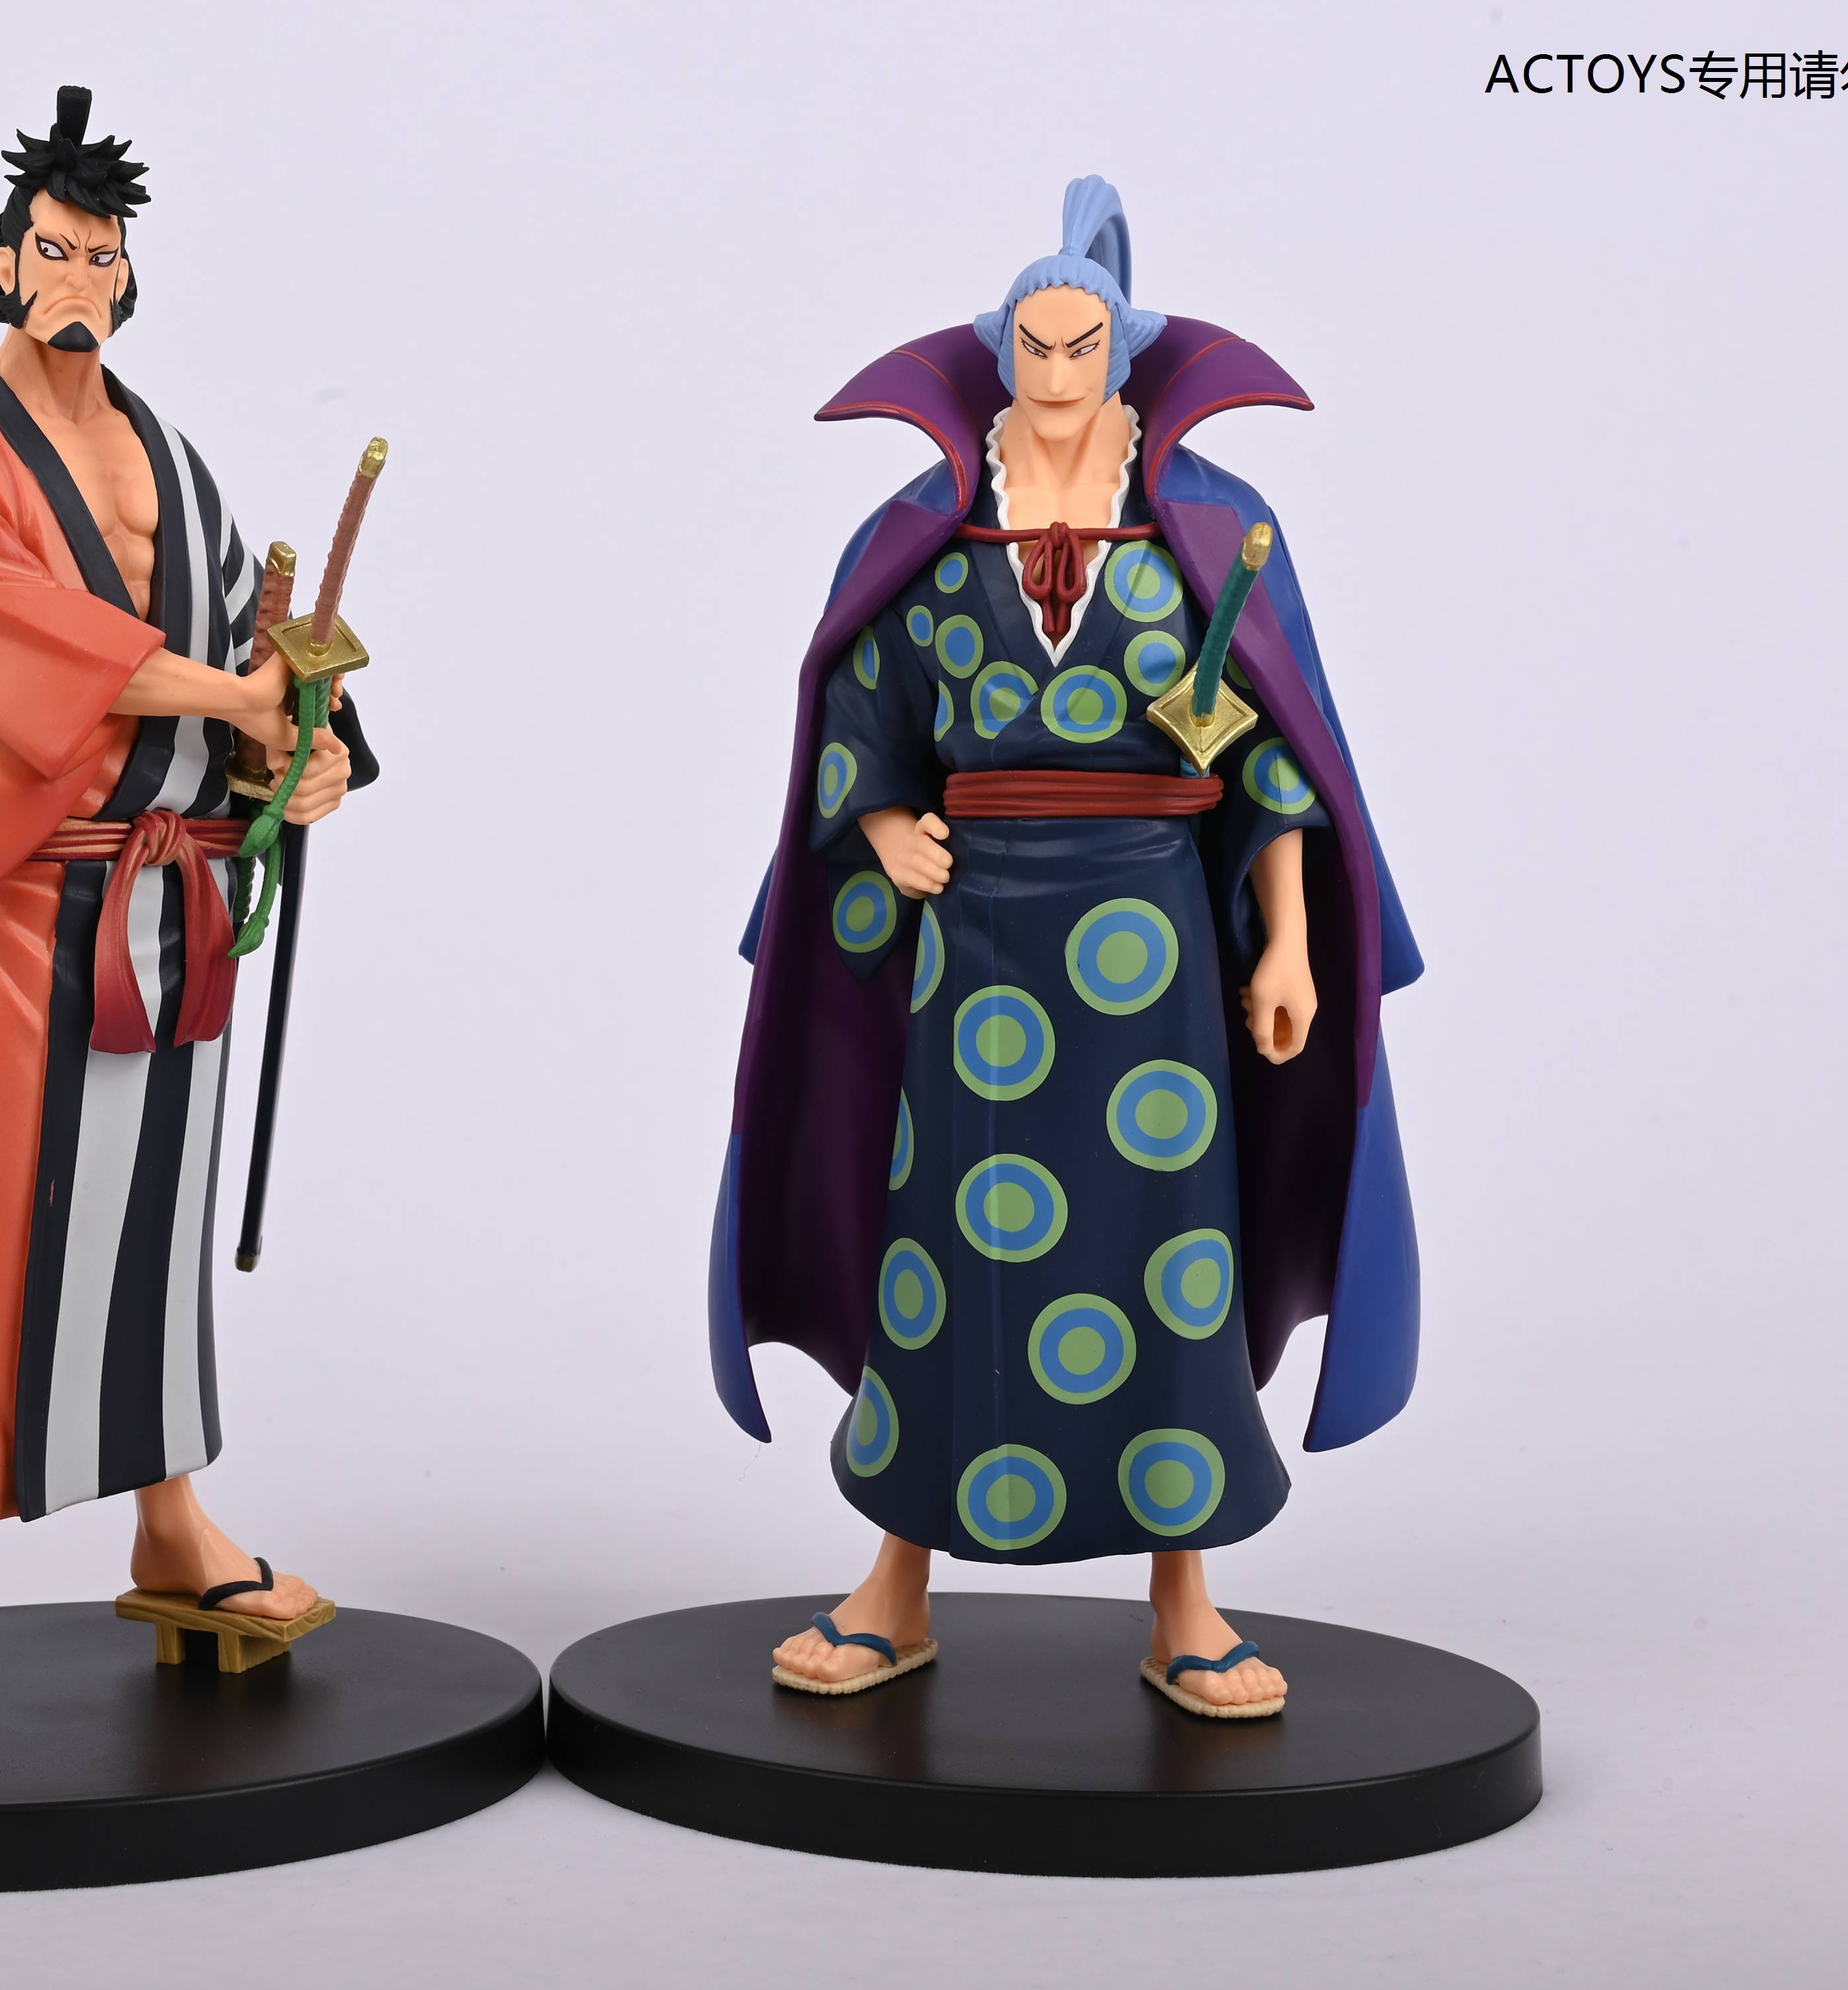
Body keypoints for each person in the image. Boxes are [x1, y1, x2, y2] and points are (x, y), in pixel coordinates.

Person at [708, 176, 1423, 1716]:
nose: (1052, 371)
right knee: (947, 1241)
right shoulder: (928, 534)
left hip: (1151, 942)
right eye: (1029, 346)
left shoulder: (1209, 535)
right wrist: (880, 824)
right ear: (994, 353)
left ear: (1123, 354)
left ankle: (1185, 1600)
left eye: (1079, 345)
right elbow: (859, 711)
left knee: (1170, 1249)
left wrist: (1290, 942)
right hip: (974, 939)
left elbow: (1276, 757)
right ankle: (897, 1580)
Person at [0, 88, 363, 1741]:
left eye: (103, 257)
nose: (80, 280)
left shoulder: (169, 455)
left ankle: (174, 1527)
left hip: (189, 889)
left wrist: (300, 750)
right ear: (0, 261)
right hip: (56, 894)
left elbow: (249, 642)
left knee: (153, 1225)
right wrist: (231, 699)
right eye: (54, 251)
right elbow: (27, 638)